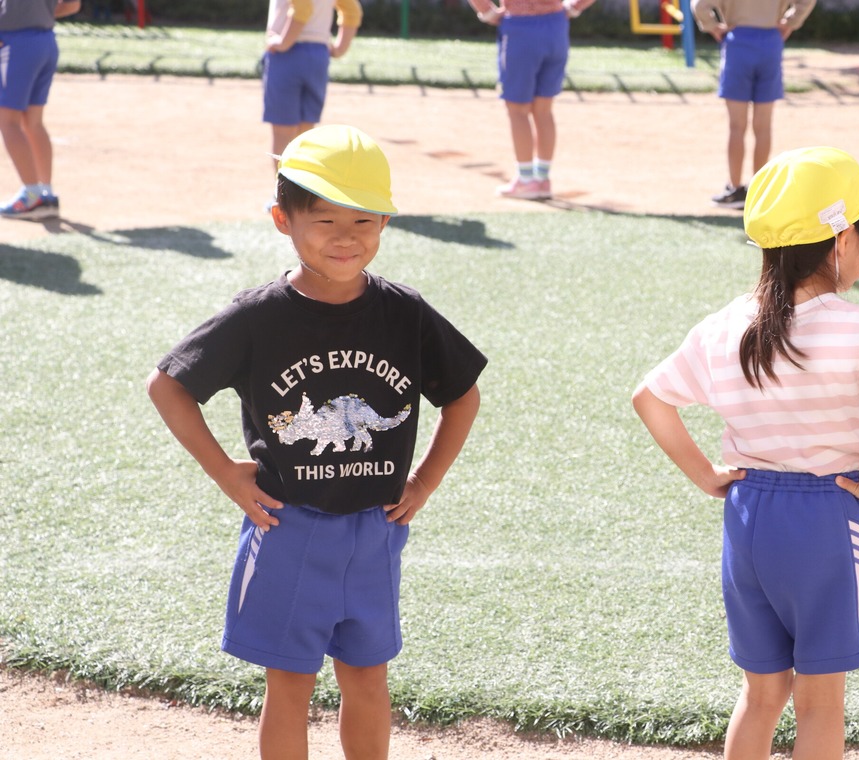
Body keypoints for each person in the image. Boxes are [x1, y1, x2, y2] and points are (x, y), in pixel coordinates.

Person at [146, 125, 485, 760]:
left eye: (363, 220)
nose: (345, 237)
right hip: (288, 528)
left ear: (385, 221)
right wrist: (226, 472)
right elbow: (168, 385)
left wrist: (425, 481)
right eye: (324, 218)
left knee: (367, 680)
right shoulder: (259, 316)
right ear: (283, 220)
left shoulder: (404, 312)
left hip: (376, 531)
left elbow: (462, 395)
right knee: (291, 687)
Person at [632, 146, 859, 760]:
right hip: (826, 513)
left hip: (747, 516)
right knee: (820, 702)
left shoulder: (723, 327)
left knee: (762, 693)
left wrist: (706, 475)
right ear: (844, 240)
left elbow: (649, 398)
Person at [466, 0, 595, 201]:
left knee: (517, 110)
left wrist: (487, 12)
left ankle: (526, 180)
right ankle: (542, 178)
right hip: (556, 27)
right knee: (544, 110)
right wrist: (575, 7)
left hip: (520, 28)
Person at [692, 0, 816, 210]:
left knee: (736, 126)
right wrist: (789, 23)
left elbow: (698, 5)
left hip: (738, 42)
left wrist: (713, 26)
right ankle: (761, 190)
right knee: (763, 126)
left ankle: (735, 188)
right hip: (770, 42)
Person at [262, 0, 362, 203]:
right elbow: (352, 10)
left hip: (288, 54)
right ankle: (303, 194)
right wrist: (341, 47)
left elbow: (302, 7)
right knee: (305, 132)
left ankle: (284, 198)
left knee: (283, 132)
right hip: (318, 54)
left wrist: (284, 41)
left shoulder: (286, 44)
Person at [0, 0, 81, 220]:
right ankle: (45, 194)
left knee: (8, 122)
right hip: (45, 40)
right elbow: (73, 5)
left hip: (14, 44)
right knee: (32, 123)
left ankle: (32, 194)